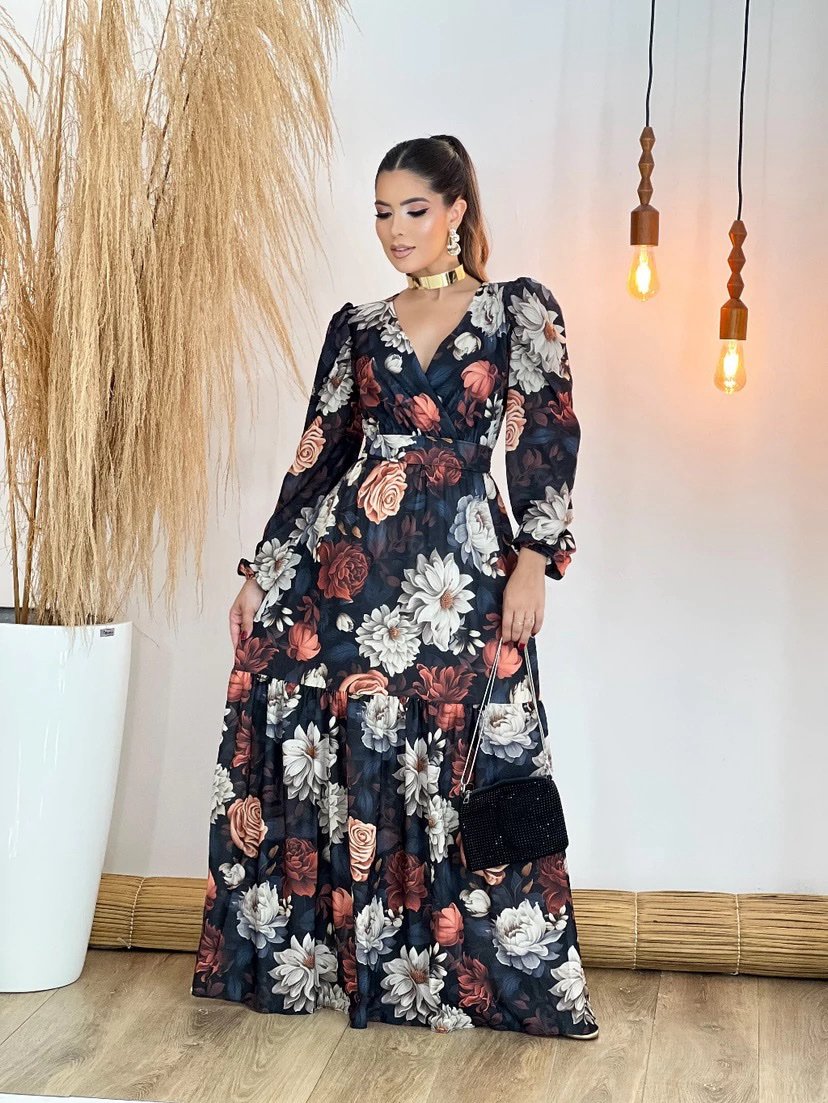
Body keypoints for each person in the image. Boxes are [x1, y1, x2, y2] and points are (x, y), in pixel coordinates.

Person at [191, 133, 599, 1039]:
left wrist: (535, 561)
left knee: (484, 752)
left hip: (463, 573)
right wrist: (261, 573)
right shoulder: (358, 327)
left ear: (457, 210)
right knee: (355, 747)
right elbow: (316, 459)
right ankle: (360, 969)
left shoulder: (516, 310)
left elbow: (547, 435)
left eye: (414, 209)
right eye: (381, 213)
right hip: (352, 573)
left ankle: (471, 975)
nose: (395, 229)